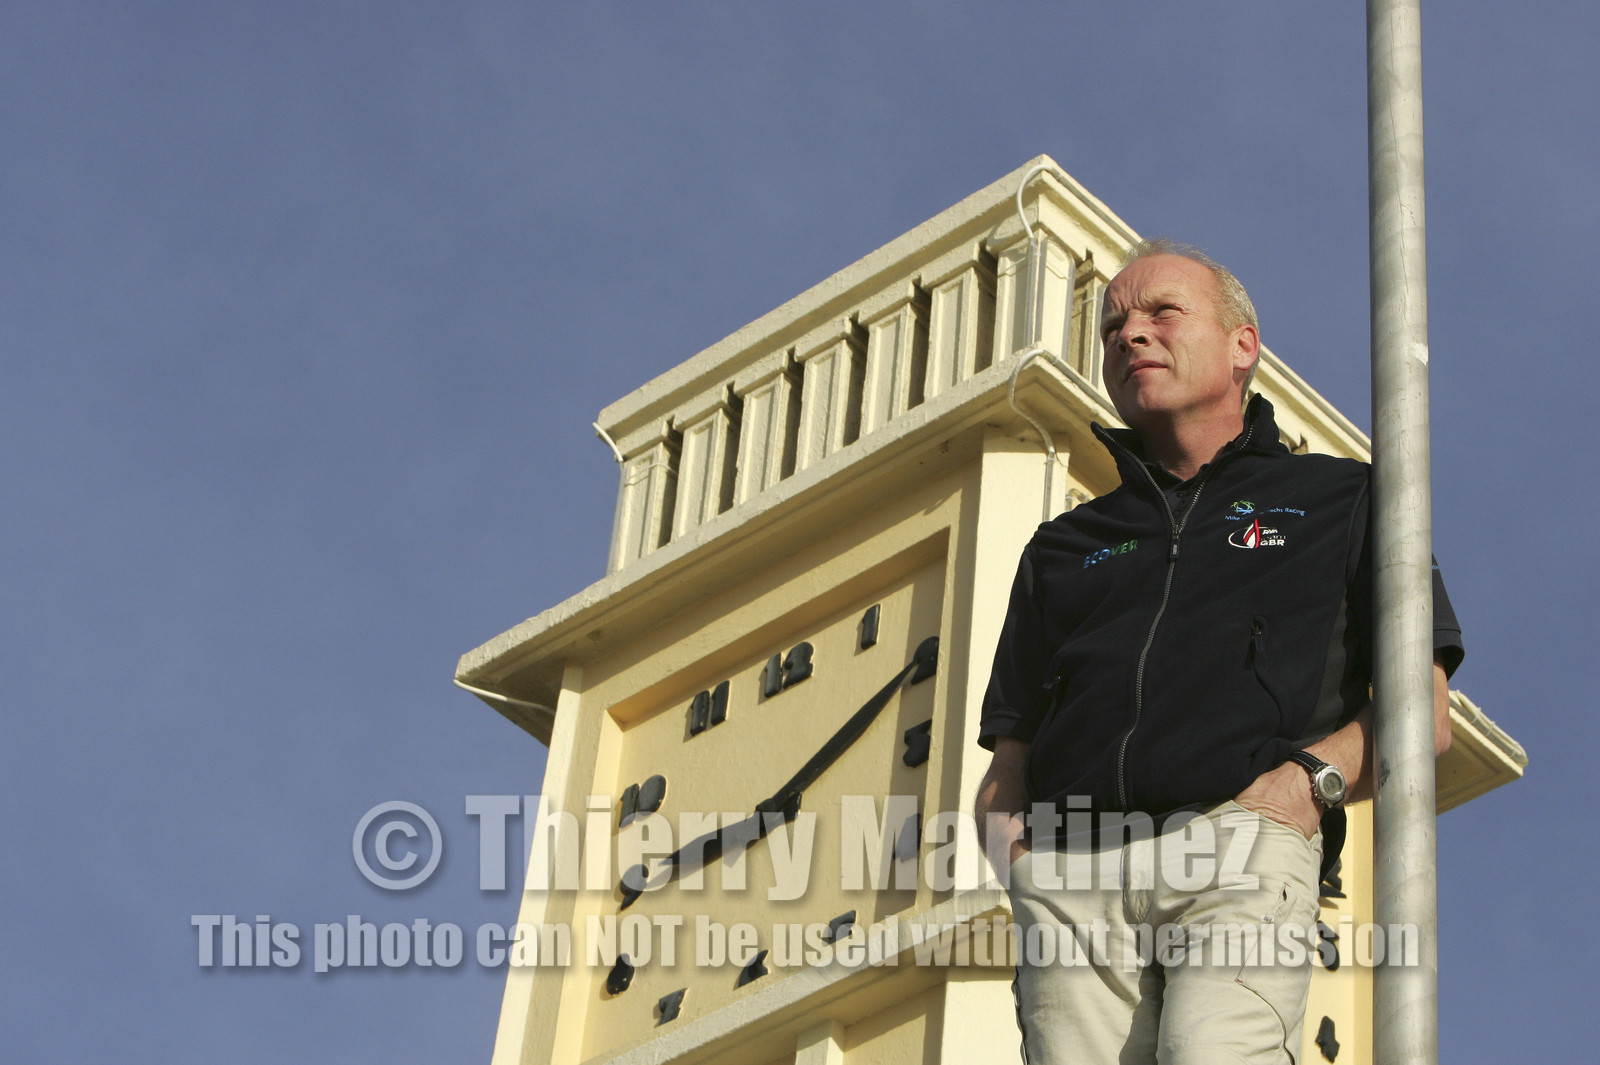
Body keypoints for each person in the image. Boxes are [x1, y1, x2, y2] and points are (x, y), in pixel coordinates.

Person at [975, 239, 1463, 1065]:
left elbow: (1425, 711)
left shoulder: (1343, 500)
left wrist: (1306, 787)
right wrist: (1021, 864)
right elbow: (1010, 752)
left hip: (1244, 840)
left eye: (1162, 312)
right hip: (1071, 876)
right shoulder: (1063, 546)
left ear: (1244, 346)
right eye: (1113, 325)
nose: (1131, 335)